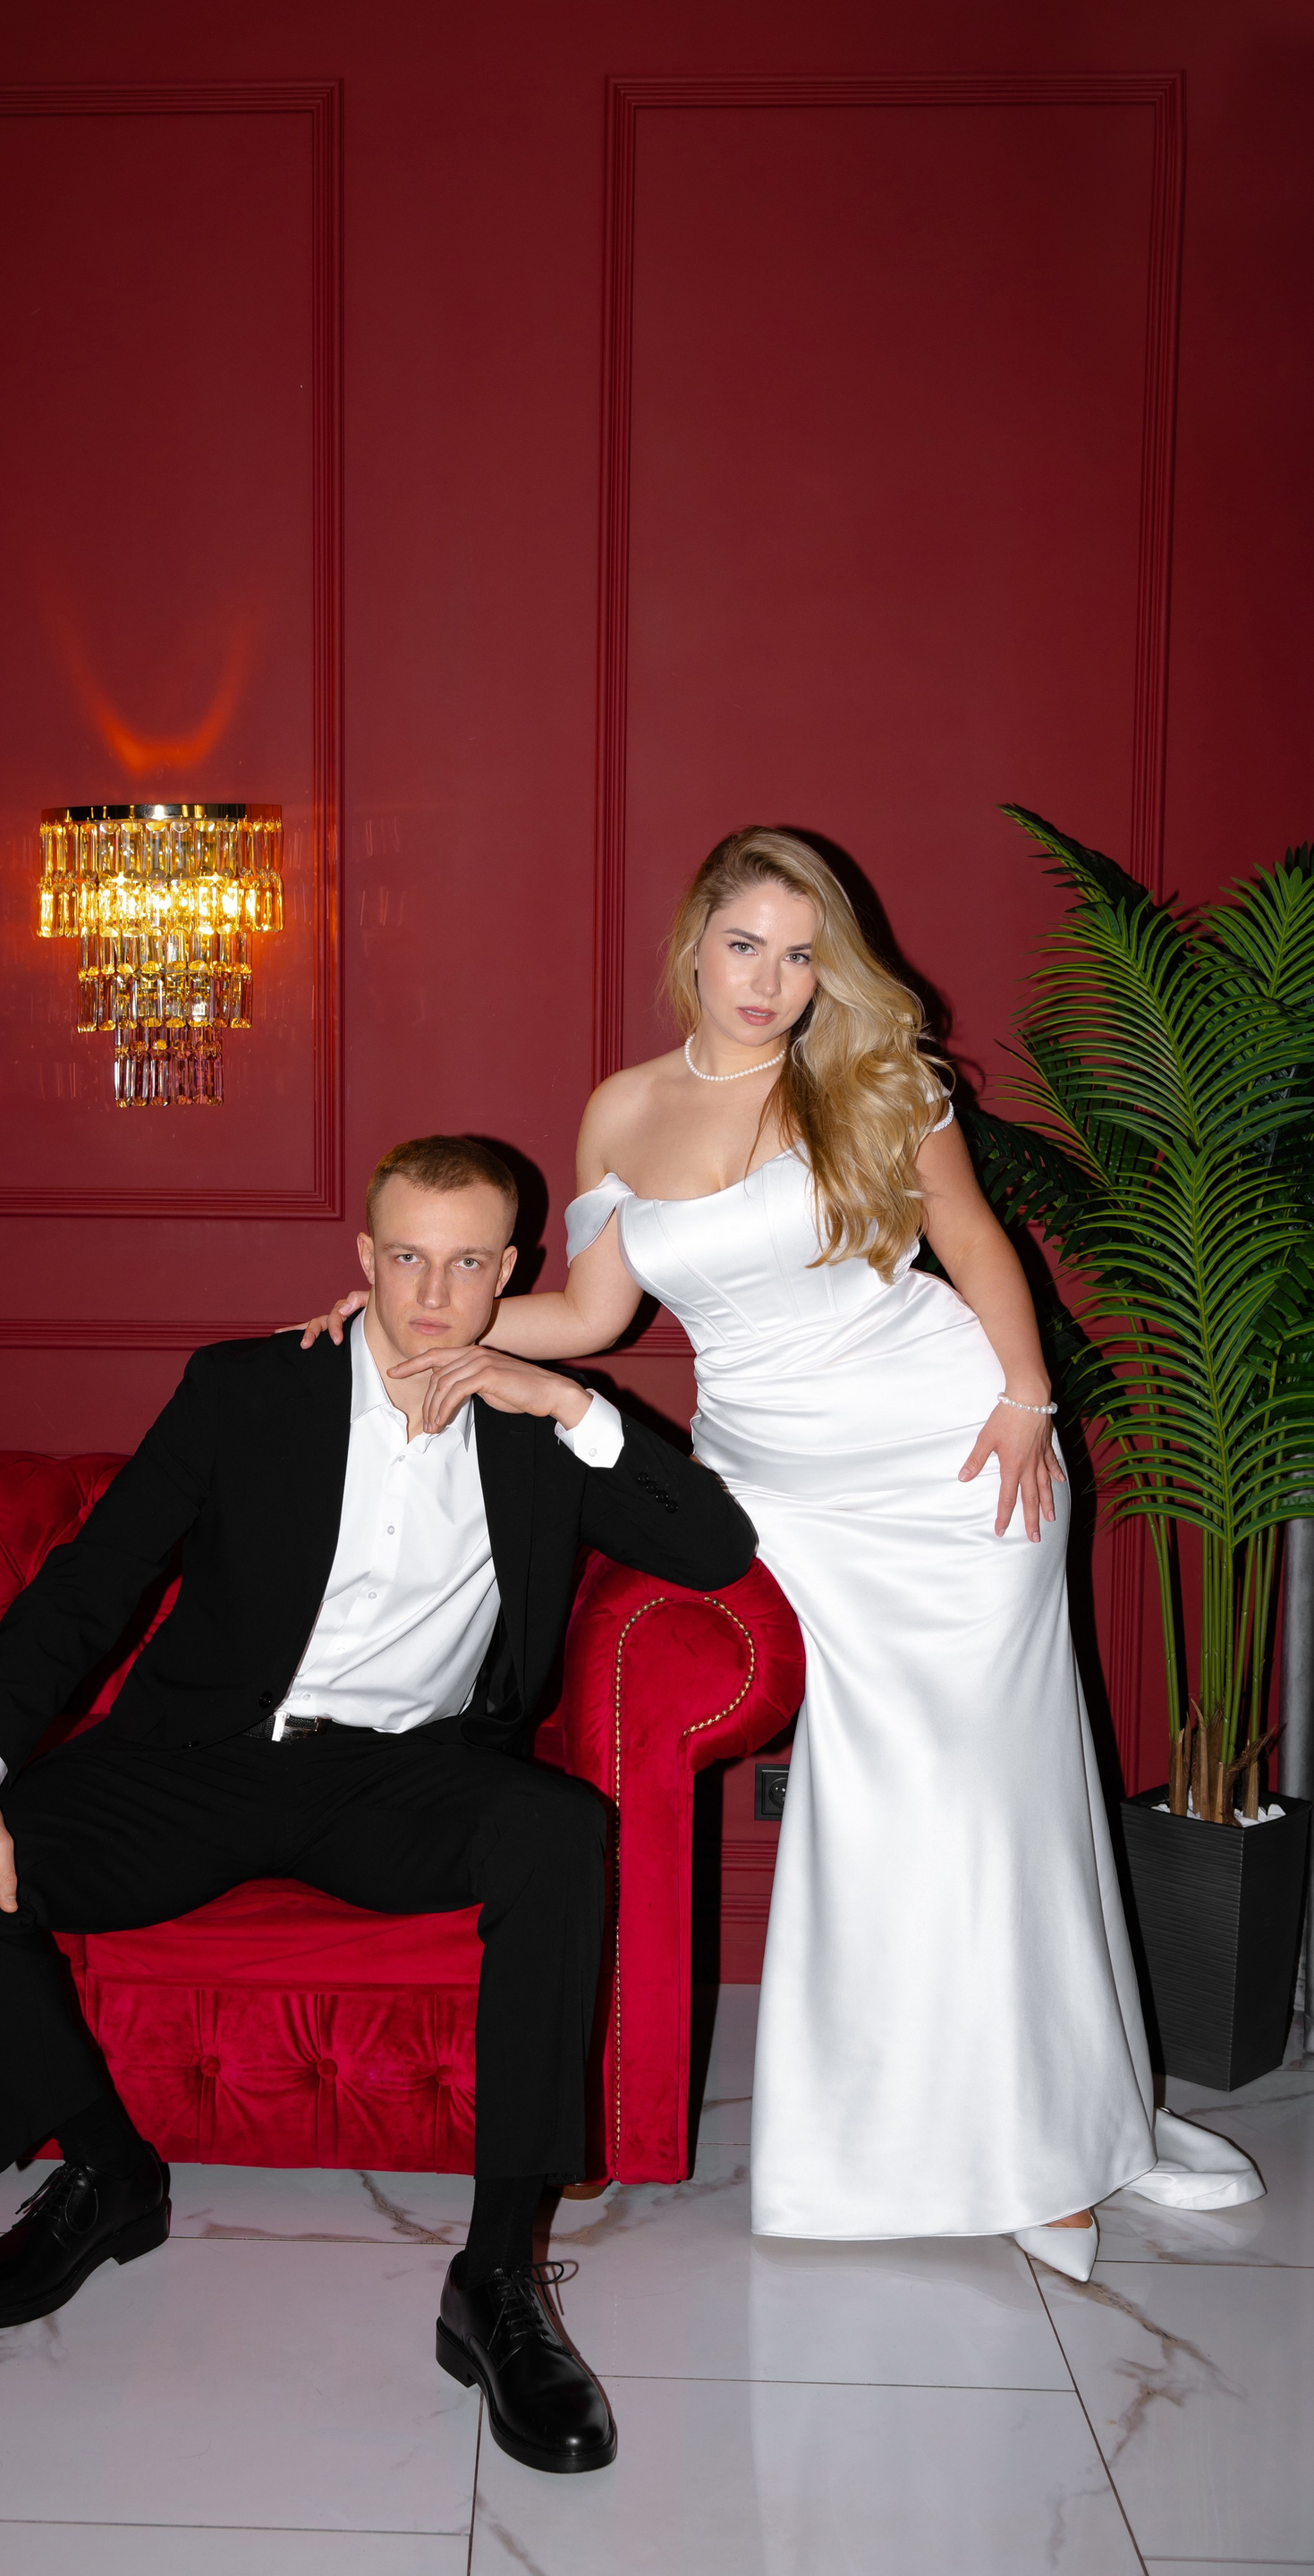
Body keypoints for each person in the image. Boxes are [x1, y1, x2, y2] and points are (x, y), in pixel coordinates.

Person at [301, 831, 1259, 2278]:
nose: (769, 980)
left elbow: (976, 1241)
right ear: (695, 941)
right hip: (779, 1491)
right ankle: (904, 2136)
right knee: (876, 1802)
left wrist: (1027, 1401)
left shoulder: (871, 1078)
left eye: (801, 954)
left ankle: (1060, 2140)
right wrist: (408, 1324)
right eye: (745, 944)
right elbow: (593, 1317)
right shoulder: (622, 1109)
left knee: (996, 1802)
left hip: (955, 1459)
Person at [0, 1131, 754, 2475]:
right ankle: (107, 2173)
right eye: (406, 1257)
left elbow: (713, 1545)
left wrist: (568, 1405)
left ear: (511, 1273)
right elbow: (89, 1584)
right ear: (364, 1256)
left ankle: (497, 2279)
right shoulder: (249, 1391)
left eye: (466, 1264)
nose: (432, 1293)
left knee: (558, 1836)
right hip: (203, 1756)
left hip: (403, 1774)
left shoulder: (541, 1422)